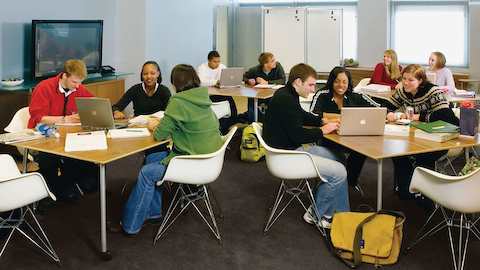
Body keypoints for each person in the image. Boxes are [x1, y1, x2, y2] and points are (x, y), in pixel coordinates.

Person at [120, 64, 223, 235]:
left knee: (146, 173)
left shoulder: (179, 101)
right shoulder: (203, 98)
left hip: (190, 162)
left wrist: (155, 125)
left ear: (175, 83)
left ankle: (130, 225)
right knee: (154, 156)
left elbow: (160, 136)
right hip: (210, 160)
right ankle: (154, 213)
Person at [263, 63, 349, 229]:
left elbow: (300, 115)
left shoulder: (287, 93)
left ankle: (338, 214)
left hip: (288, 149)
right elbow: (299, 136)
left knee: (339, 158)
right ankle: (316, 213)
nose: (312, 89)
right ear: (297, 82)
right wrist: (323, 130)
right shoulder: (285, 100)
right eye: (310, 85)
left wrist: (321, 120)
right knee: (339, 172)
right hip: (287, 156)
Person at [384, 64, 459, 202]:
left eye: (411, 80)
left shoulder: (433, 92)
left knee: (422, 156)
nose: (406, 83)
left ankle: (425, 194)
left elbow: (448, 117)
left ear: (420, 81)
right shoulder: (403, 91)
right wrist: (388, 113)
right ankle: (405, 190)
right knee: (397, 153)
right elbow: (386, 105)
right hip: (416, 136)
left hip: (440, 138)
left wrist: (420, 117)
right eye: (404, 79)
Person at [28, 59, 98, 201]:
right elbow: (38, 117)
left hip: (67, 134)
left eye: (80, 82)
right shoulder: (44, 87)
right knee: (50, 157)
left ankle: (72, 185)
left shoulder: (77, 88)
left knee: (87, 152)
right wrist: (64, 119)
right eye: (75, 82)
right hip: (42, 134)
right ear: (64, 76)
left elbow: (93, 103)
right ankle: (53, 191)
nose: (78, 86)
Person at [311, 66, 381, 190]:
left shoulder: (355, 95)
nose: (341, 85)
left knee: (362, 150)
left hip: (350, 139)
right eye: (337, 81)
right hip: (329, 140)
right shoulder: (322, 94)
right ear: (331, 81)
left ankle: (349, 181)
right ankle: (339, 180)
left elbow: (378, 108)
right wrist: (325, 120)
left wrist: (392, 114)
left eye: (344, 82)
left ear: (349, 83)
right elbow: (313, 115)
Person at [197, 50, 238, 134]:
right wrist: (215, 82)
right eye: (215, 62)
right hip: (208, 95)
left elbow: (227, 78)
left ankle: (232, 122)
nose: (217, 64)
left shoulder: (222, 67)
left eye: (218, 61)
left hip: (220, 93)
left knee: (230, 102)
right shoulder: (201, 68)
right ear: (209, 61)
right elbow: (200, 82)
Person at [243, 52, 286, 122]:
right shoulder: (255, 70)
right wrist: (248, 81)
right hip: (259, 93)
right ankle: (252, 121)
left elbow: (283, 80)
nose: (275, 62)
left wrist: (267, 82)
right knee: (251, 96)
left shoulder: (278, 66)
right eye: (272, 61)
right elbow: (244, 77)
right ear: (265, 64)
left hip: (273, 94)